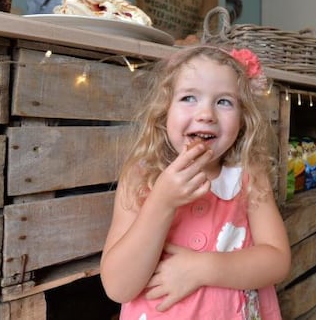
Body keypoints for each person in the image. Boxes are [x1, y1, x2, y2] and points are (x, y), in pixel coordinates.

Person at [100, 46, 291, 319]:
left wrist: (202, 268)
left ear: (244, 119)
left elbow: (277, 261)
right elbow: (119, 287)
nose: (206, 114)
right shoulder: (141, 177)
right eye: (189, 97)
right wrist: (162, 201)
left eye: (224, 101)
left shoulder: (248, 175)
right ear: (164, 111)